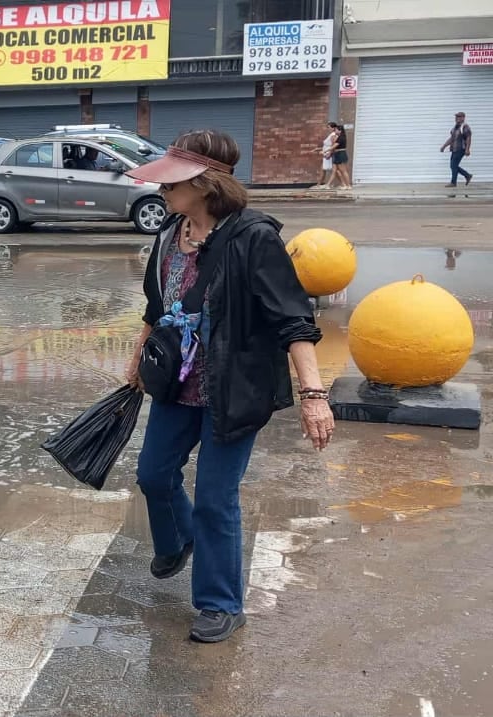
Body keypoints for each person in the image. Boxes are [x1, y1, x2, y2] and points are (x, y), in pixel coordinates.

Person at [121, 129, 333, 644]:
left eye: (172, 183)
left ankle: (220, 603)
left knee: (216, 498)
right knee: (153, 475)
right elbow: (156, 306)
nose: (162, 190)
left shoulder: (254, 237)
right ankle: (180, 539)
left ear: (205, 184)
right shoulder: (169, 232)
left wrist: (313, 396)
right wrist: (136, 361)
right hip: (176, 383)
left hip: (233, 388)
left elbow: (293, 320)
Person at [441, 112, 473, 187]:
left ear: (463, 118)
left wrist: (467, 149)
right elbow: (451, 139)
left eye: (459, 117)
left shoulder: (465, 127)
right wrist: (444, 146)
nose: (456, 118)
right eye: (456, 116)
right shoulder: (455, 127)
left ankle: (453, 182)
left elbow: (468, 138)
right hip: (454, 149)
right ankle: (467, 175)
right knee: (453, 166)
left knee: (453, 165)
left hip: (461, 149)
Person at [315, 122, 338, 188]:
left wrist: (329, 153)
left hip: (328, 154)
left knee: (325, 169)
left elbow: (333, 146)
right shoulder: (331, 134)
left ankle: (319, 184)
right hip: (326, 153)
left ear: (333, 128)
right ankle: (320, 184)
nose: (328, 128)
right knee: (326, 169)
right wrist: (318, 149)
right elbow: (327, 146)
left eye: (329, 127)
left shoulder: (333, 135)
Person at [327, 124, 350, 189]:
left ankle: (348, 186)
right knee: (336, 170)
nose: (335, 131)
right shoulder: (339, 137)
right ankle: (344, 185)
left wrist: (325, 151)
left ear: (340, 130)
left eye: (336, 130)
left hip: (340, 154)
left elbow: (334, 146)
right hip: (337, 154)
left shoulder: (341, 138)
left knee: (343, 171)